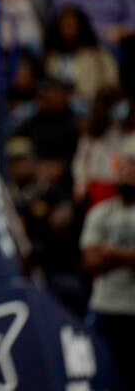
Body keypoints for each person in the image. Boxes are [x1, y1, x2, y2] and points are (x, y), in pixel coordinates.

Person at [80, 139, 135, 390]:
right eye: (125, 168)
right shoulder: (101, 212)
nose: (128, 174)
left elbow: (100, 255)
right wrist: (127, 256)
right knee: (99, 375)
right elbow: (90, 261)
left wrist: (110, 252)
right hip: (105, 306)